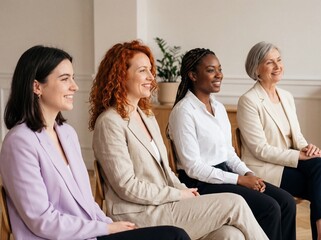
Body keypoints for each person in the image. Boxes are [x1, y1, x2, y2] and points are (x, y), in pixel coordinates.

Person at [0, 45, 191, 240]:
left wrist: (110, 224)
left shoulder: (67, 134)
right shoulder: (19, 143)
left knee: (175, 234)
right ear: (37, 87)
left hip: (91, 234)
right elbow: (43, 221)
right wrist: (105, 229)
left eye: (73, 78)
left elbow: (87, 203)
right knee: (175, 236)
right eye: (65, 79)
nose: (74, 86)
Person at [89, 39, 269, 240]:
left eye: (150, 70)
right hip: (140, 213)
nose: (151, 77)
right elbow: (127, 186)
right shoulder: (109, 123)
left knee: (230, 234)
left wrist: (186, 192)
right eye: (142, 71)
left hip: (166, 205)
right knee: (235, 203)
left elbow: (167, 172)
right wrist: (178, 195)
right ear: (121, 76)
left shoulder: (146, 116)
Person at [168, 47, 297, 240]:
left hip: (227, 173)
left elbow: (228, 153)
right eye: (211, 70)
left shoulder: (218, 108)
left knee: (286, 201)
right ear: (193, 75)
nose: (219, 74)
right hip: (200, 183)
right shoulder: (183, 112)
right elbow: (193, 168)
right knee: (269, 208)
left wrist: (248, 174)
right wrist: (239, 179)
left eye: (219, 69)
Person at [237, 41, 321, 240]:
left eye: (279, 60)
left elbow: (297, 136)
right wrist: (298, 155)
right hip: (266, 167)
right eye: (270, 62)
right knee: (318, 178)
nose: (277, 66)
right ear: (256, 69)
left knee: (318, 165)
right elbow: (260, 149)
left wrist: (308, 148)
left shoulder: (286, 96)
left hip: (289, 164)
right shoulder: (249, 100)